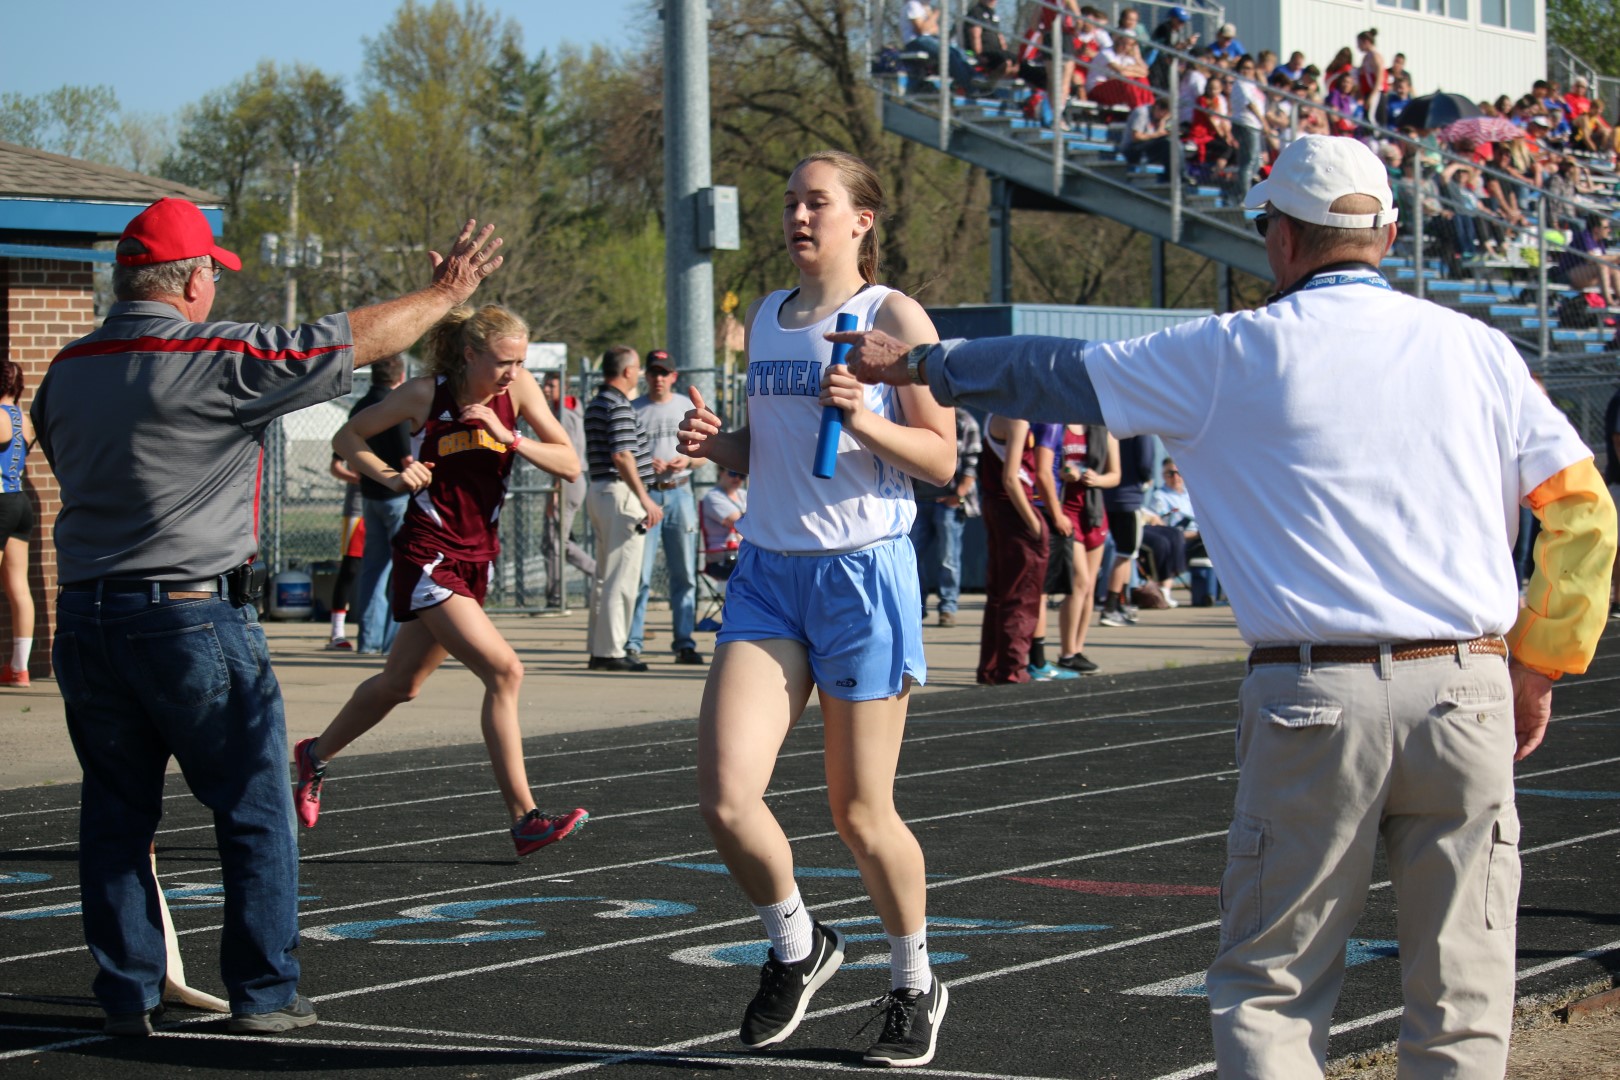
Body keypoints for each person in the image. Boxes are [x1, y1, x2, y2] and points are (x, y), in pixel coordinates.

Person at [833, 133, 1616, 1079]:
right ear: (1388, 236)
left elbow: (1053, 372)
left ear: (1279, 237)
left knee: (1273, 988)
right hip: (1466, 686)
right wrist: (1539, 664)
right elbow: (1584, 512)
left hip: (1315, 694)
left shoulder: (1230, 350)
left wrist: (921, 363)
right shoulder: (1480, 350)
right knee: (1464, 997)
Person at [33, 197, 505, 1036]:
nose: (215, 288)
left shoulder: (68, 367)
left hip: (87, 615)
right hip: (189, 613)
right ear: (191, 281)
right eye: (213, 274)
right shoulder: (216, 356)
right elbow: (353, 339)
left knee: (115, 816)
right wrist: (444, 296)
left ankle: (127, 991)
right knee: (254, 809)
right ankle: (264, 991)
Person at [675, 149, 956, 1067]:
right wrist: (721, 445)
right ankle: (799, 944)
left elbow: (942, 458)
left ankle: (914, 980)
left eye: (817, 202)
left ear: (860, 220)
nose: (798, 215)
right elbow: (774, 448)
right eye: (791, 201)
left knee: (860, 813)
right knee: (726, 797)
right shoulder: (767, 315)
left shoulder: (892, 317)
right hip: (768, 574)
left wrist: (865, 415)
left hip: (861, 577)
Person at [297, 304, 588, 859]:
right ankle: (525, 819)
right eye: (502, 362)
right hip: (429, 553)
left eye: (520, 362)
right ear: (470, 355)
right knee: (505, 671)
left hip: (477, 557)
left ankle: (315, 755)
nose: (512, 372)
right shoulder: (424, 395)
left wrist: (509, 436)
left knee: (400, 685)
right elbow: (347, 436)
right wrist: (390, 474)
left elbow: (569, 463)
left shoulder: (519, 391)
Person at [584, 346, 660, 672]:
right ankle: (612, 650)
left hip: (601, 490)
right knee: (622, 576)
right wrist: (645, 498)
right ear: (627, 371)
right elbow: (622, 454)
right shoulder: (618, 405)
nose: (640, 375)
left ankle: (600, 647)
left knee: (605, 576)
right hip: (620, 494)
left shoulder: (598, 402)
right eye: (638, 369)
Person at [627, 349, 703, 665]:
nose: (658, 378)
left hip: (680, 493)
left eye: (664, 373)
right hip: (647, 496)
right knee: (640, 574)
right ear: (645, 376)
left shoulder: (686, 406)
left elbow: (704, 454)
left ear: (673, 376)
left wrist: (687, 460)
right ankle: (632, 643)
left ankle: (684, 642)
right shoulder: (634, 409)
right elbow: (624, 456)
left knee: (684, 573)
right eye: (653, 372)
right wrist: (647, 465)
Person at [977, 415, 1056, 682]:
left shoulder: (994, 414)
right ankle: (1012, 669)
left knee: (999, 593)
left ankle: (992, 668)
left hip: (996, 507)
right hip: (1013, 511)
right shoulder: (1017, 420)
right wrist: (1034, 522)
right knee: (1022, 594)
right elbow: (1011, 478)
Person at [352, 354, 411, 655]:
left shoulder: (360, 407)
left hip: (370, 496)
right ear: (400, 376)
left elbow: (344, 459)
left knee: (373, 571)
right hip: (396, 497)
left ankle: (369, 640)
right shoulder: (394, 410)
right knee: (401, 570)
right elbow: (407, 460)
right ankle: (391, 643)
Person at [1056, 423, 1119, 672]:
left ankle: (1078, 649)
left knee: (1090, 586)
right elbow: (1045, 466)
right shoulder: (1058, 426)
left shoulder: (1103, 430)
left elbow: (1115, 475)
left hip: (1093, 513)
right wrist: (1064, 473)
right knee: (1079, 582)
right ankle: (1067, 652)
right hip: (1067, 510)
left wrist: (1097, 479)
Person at [911, 406, 980, 627]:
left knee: (948, 558)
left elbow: (971, 464)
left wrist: (958, 495)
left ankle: (948, 607)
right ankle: (917, 606)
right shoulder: (917, 414)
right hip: (918, 500)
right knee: (911, 555)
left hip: (948, 503)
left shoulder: (965, 422)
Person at [541, 369, 595, 607]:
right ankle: (598, 571)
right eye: (545, 385)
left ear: (563, 387)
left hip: (567, 480)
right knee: (553, 541)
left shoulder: (564, 412)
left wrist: (555, 490)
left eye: (551, 386)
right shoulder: (560, 409)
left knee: (555, 542)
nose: (546, 390)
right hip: (566, 480)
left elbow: (566, 454)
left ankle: (556, 598)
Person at [0, 359, 35, 686]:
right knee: (18, 587)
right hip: (20, 501)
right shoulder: (24, 420)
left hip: (0, 502)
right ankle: (19, 669)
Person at [1099, 434, 1154, 625]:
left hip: (1106, 496)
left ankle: (1122, 603)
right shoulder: (1140, 430)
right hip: (1128, 498)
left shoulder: (1109, 428)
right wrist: (1146, 479)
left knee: (1126, 553)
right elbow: (1145, 462)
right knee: (1125, 553)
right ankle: (1110, 607)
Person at [324, 452, 366, 650]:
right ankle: (337, 633)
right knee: (350, 568)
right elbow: (336, 467)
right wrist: (360, 478)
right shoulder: (353, 434)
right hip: (358, 509)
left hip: (388, 502)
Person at [700, 467, 747, 581]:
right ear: (721, 472)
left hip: (744, 553)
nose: (737, 478)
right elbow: (740, 523)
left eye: (742, 475)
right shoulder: (713, 497)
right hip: (724, 558)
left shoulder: (743, 494)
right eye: (733, 473)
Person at [1120, 98, 1173, 167]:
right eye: (1164, 114)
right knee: (1166, 143)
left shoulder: (1162, 118)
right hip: (1131, 149)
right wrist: (1157, 135)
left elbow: (1168, 133)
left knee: (1173, 143)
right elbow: (1136, 137)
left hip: (1148, 147)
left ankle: (1177, 171)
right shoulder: (1142, 113)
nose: (1163, 116)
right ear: (1157, 107)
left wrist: (1163, 122)